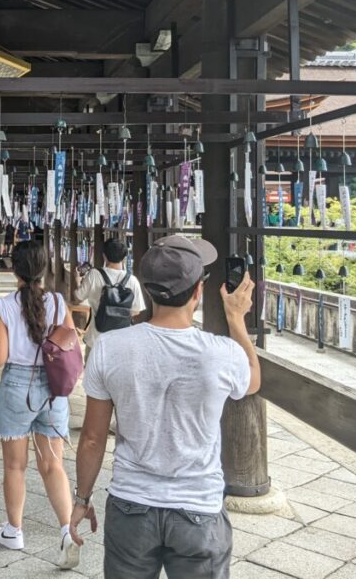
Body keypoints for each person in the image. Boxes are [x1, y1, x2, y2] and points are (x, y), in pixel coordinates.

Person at [68, 235, 261, 579]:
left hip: (132, 504)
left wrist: (82, 499)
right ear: (198, 293)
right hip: (198, 507)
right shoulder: (220, 352)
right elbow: (252, 381)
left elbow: (93, 439)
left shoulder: (109, 348)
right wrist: (236, 319)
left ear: (147, 290)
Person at [0, 241, 81, 569]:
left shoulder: (3, 306)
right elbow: (71, 344)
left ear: (14, 269)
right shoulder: (56, 302)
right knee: (53, 465)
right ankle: (68, 531)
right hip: (53, 390)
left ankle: (14, 530)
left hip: (17, 387)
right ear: (44, 269)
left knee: (15, 466)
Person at [72, 238, 146, 356]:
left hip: (96, 339)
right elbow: (136, 311)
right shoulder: (132, 281)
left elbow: (77, 298)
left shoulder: (94, 275)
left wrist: (77, 280)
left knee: (93, 373)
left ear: (104, 256)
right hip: (122, 341)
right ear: (124, 257)